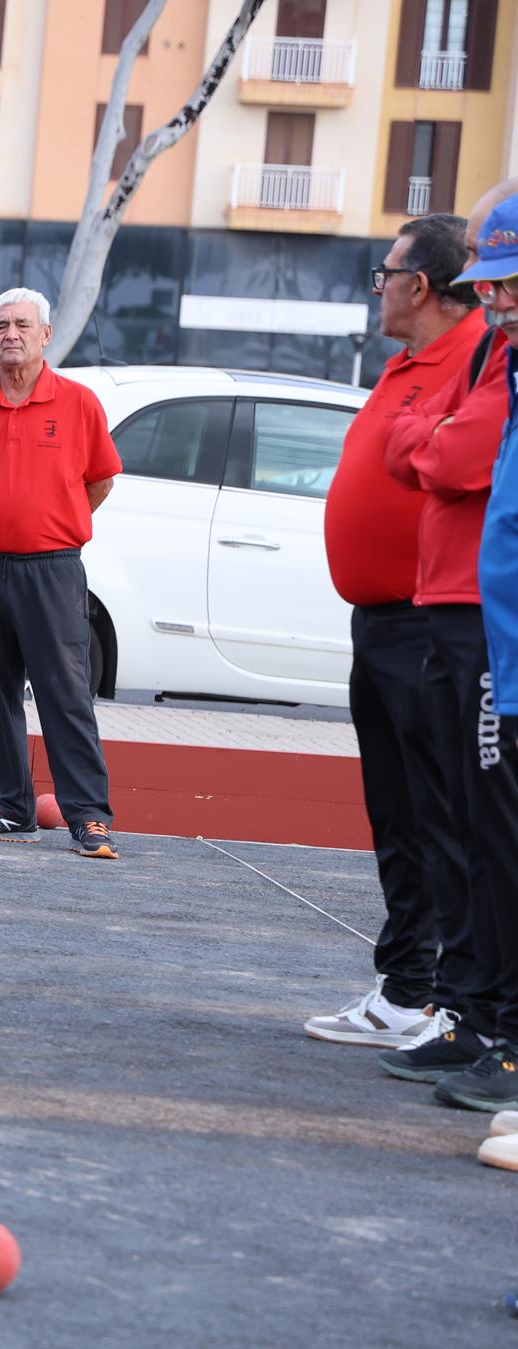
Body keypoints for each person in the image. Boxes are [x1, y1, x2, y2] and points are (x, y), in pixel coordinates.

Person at [301, 214, 485, 1049]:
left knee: (437, 814)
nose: (377, 286)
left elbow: (445, 459)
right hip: (380, 621)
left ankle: (447, 997)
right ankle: (404, 986)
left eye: (387, 272)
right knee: (395, 813)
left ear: (420, 285)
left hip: (429, 622)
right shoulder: (408, 362)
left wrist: (415, 441)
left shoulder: (475, 355)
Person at [0, 287, 121, 858]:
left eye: (22, 324)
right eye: (0, 326)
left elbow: (100, 481)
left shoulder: (79, 402)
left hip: (53, 570)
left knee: (65, 694)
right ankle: (14, 809)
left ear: (45, 335)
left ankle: (88, 817)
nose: (11, 334)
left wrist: (51, 526)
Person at [408, 187, 518, 1125]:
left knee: (500, 840)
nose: (498, 300)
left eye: (511, 281)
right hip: (490, 638)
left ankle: (505, 1036)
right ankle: (480, 1014)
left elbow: (453, 458)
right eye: (490, 283)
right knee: (474, 830)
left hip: (495, 640)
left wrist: (434, 443)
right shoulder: (506, 358)